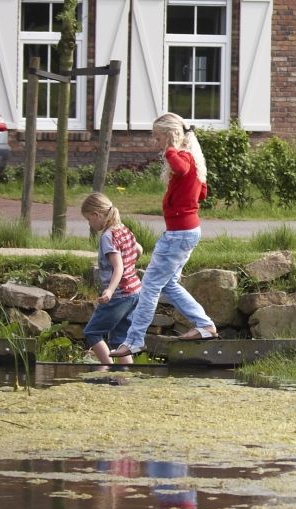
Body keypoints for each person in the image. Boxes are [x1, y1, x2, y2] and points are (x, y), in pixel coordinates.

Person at [119, 112, 221, 351]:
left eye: (158, 138)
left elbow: (181, 168)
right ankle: (204, 325)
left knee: (151, 285)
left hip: (178, 235)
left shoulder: (183, 157)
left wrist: (171, 149)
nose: (157, 143)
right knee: (169, 284)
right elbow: (202, 192)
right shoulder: (195, 158)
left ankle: (134, 341)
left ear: (169, 135)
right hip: (186, 231)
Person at [78, 191, 143, 365]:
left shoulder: (108, 236)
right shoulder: (123, 229)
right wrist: (132, 263)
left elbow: (118, 267)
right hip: (135, 291)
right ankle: (127, 376)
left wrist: (110, 290)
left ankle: (107, 369)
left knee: (92, 332)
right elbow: (139, 249)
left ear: (96, 215)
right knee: (119, 340)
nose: (90, 224)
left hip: (119, 295)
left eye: (89, 220)